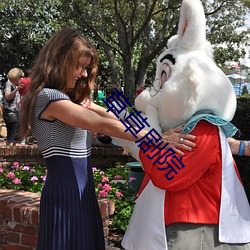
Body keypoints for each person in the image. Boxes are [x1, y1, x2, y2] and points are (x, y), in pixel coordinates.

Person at [18, 28, 196, 250]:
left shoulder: (69, 100)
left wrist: (155, 130)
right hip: (66, 192)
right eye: (80, 66)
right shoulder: (49, 98)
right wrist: (156, 138)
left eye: (86, 68)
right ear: (61, 60)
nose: (83, 74)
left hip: (81, 190)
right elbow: (101, 124)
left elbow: (110, 116)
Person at [3, 68, 24, 146]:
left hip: (16, 112)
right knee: (11, 135)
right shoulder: (8, 84)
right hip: (10, 112)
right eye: (20, 76)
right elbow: (7, 96)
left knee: (17, 136)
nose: (22, 79)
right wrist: (17, 89)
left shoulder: (15, 85)